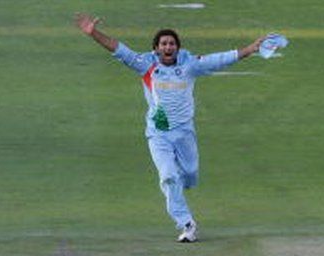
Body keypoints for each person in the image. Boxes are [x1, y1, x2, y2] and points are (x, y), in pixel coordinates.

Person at [74, 13, 269, 243]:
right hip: (159, 134)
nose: (168, 47)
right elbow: (119, 49)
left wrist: (250, 48)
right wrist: (93, 33)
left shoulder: (189, 65)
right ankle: (186, 223)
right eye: (163, 44)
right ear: (156, 49)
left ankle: (181, 185)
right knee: (168, 177)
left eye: (172, 44)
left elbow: (220, 59)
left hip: (185, 133)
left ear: (177, 48)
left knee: (189, 174)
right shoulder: (146, 65)